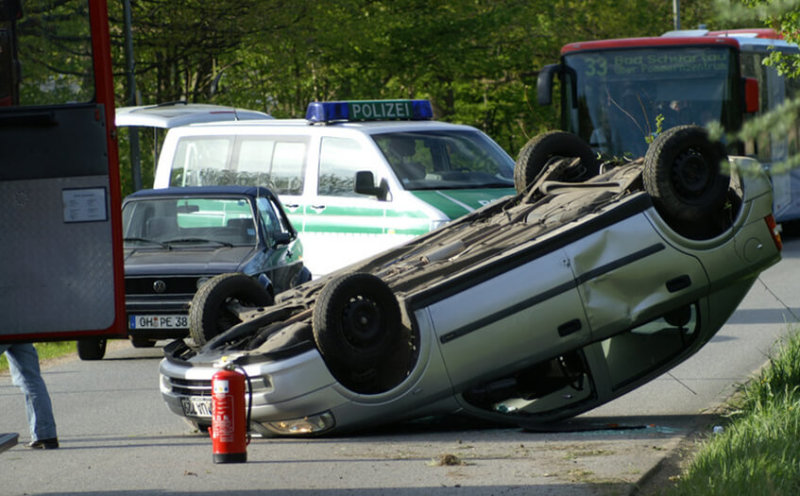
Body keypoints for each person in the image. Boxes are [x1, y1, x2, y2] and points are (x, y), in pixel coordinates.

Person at [0, 343, 59, 449]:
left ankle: (44, 435)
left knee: (30, 380)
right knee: (31, 380)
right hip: (21, 329)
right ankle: (45, 435)